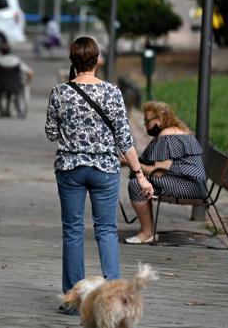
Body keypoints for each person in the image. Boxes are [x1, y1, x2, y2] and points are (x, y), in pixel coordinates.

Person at [45, 37, 153, 314]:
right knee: (106, 230)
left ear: (72, 61)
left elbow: (51, 133)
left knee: (73, 231)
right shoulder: (113, 92)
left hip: (70, 169)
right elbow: (125, 139)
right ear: (97, 61)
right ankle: (114, 300)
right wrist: (140, 174)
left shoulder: (60, 92)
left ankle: (73, 302)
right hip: (105, 170)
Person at [121, 101, 207, 244]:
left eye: (147, 120)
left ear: (160, 120)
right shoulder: (179, 131)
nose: (145, 124)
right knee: (143, 182)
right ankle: (148, 230)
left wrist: (131, 164)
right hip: (195, 185)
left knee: (137, 184)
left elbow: (159, 172)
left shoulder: (166, 136)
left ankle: (147, 233)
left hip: (187, 186)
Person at [0, 43, 34, 116]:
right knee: (16, 88)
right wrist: (27, 83)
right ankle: (9, 109)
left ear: (1, 51)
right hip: (15, 85)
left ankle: (1, 108)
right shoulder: (17, 60)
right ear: (10, 51)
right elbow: (30, 73)